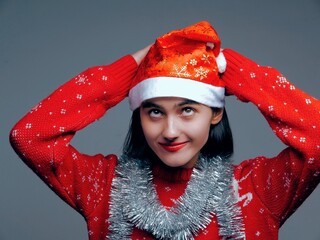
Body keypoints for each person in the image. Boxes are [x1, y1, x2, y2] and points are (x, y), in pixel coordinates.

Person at [9, 21, 320, 240]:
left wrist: (232, 69)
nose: (170, 131)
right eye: (155, 111)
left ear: (215, 113)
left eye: (187, 110)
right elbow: (29, 135)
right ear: (139, 114)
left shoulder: (257, 190)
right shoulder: (104, 187)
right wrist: (132, 68)